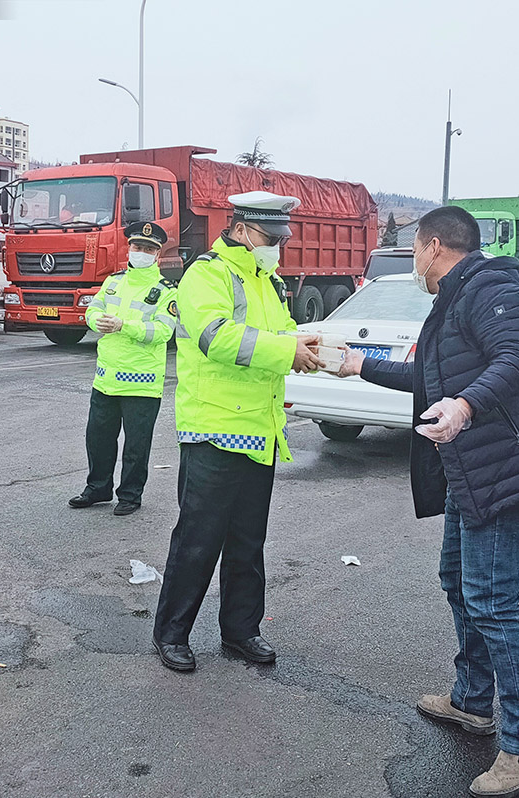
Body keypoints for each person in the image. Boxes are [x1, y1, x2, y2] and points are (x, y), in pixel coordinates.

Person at [337, 206, 519, 797]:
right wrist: (357, 364)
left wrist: (465, 406)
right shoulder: (453, 302)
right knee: (456, 580)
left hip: (506, 469)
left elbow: (515, 361)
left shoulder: (492, 288)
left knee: (492, 601)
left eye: (414, 247)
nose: (413, 259)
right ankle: (472, 701)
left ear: (433, 245)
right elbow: (427, 379)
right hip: (473, 473)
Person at [151, 191, 324, 673]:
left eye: (281, 239)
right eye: (270, 238)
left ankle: (242, 630)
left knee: (248, 541)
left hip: (259, 427)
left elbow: (280, 330)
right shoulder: (207, 273)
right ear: (242, 230)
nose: (277, 247)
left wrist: (306, 344)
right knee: (199, 539)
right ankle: (171, 633)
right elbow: (216, 337)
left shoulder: (267, 280)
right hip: (213, 427)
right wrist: (283, 351)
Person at [68, 221, 178, 517]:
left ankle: (130, 494)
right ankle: (98, 488)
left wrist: (123, 325)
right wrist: (95, 321)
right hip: (105, 379)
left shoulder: (166, 291)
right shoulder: (114, 281)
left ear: (157, 255)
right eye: (137, 247)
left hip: (141, 382)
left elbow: (163, 331)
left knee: (136, 445)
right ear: (129, 248)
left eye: (148, 249)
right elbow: (92, 309)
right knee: (98, 438)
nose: (141, 252)